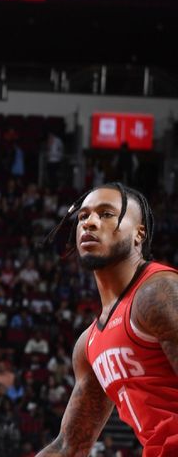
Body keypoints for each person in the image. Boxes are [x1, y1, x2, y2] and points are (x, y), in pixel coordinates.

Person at [38, 183, 178, 455]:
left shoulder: (159, 293)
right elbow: (69, 447)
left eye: (106, 214)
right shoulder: (88, 345)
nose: (90, 222)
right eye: (83, 216)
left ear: (139, 234)